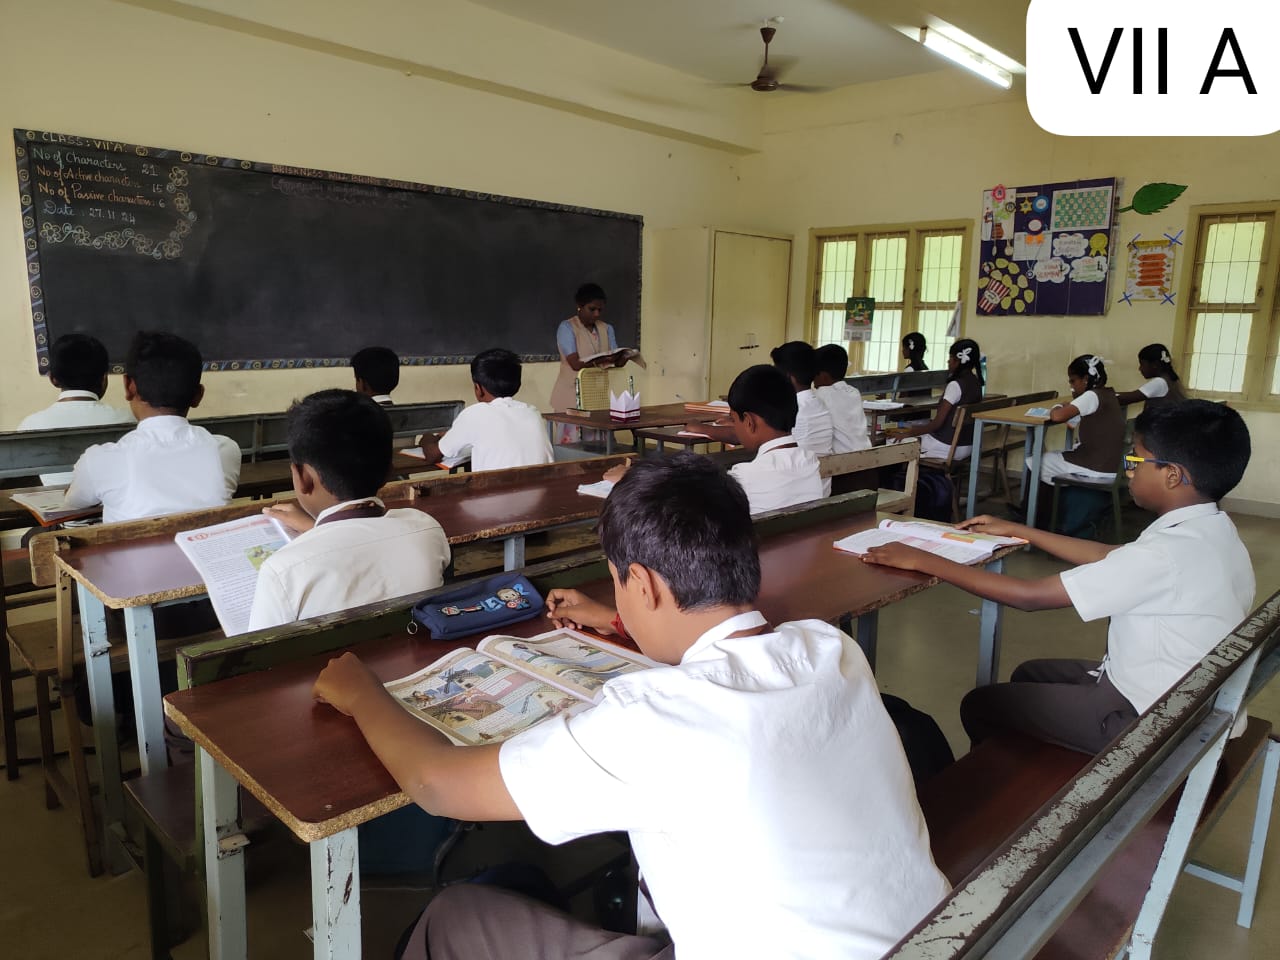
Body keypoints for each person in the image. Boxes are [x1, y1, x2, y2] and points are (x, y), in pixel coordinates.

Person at [314, 454, 950, 959]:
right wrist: (622, 624)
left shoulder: (651, 720)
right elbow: (728, 649)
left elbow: (436, 784)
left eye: (619, 579)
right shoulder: (830, 648)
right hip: (933, 939)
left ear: (640, 583)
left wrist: (363, 693)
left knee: (456, 917)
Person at [863, 400, 1254, 755]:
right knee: (1029, 674)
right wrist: (1021, 531)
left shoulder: (1164, 555)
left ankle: (1009, 791)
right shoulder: (1210, 531)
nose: (1129, 469)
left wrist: (924, 559)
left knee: (981, 705)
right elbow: (1112, 556)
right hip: (1186, 697)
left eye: (1136, 459)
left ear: (1172, 475)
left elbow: (1029, 596)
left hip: (1150, 721)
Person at [247, 389, 450, 630]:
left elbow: (259, 649)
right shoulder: (426, 528)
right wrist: (315, 530)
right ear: (389, 471)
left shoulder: (282, 570)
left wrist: (315, 534)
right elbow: (362, 546)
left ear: (302, 478)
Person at [61, 331, 241, 524]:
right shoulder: (224, 450)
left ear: (129, 386)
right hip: (205, 544)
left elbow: (74, 502)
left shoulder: (99, 460)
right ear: (198, 395)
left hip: (129, 545)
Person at [17, 333, 134, 485]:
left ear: (53, 379)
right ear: (104, 378)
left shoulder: (30, 426)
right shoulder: (129, 420)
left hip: (53, 499)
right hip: (110, 499)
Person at [415, 348, 554, 472]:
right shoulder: (532, 412)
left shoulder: (476, 414)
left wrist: (427, 438)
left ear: (478, 388)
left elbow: (433, 455)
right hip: (543, 490)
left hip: (496, 492)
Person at [550, 283, 638, 444]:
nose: (596, 314)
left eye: (600, 310)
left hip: (596, 396)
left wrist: (625, 357)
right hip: (570, 396)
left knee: (601, 445)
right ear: (579, 306)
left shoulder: (607, 329)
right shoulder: (567, 328)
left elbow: (614, 361)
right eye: (592, 309)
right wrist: (602, 360)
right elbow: (575, 364)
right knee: (574, 446)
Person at [1033, 354, 1124, 485]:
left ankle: (1035, 499)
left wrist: (1058, 406)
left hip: (1098, 466)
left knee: (1037, 462)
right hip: (1113, 464)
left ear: (1085, 379)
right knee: (1059, 454)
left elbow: (1057, 416)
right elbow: (1072, 424)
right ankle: (1059, 495)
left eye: (1073, 381)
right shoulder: (1109, 393)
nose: (1071, 386)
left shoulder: (1091, 395)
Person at [887, 338, 984, 460]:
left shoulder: (955, 385)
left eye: (950, 357)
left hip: (947, 446)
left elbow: (936, 424)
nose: (948, 361)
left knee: (892, 441)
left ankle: (907, 472)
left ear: (958, 361)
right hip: (968, 446)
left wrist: (907, 433)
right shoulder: (976, 383)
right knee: (912, 434)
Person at [770, 340, 834, 455]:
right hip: (822, 465)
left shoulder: (791, 410)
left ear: (788, 378)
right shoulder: (821, 404)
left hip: (796, 465)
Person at [813, 343, 871, 453]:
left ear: (824, 376)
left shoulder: (822, 394)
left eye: (814, 376)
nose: (813, 381)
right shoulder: (854, 392)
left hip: (843, 458)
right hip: (865, 452)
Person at [1116, 343, 1186, 409]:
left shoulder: (1160, 382)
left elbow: (1126, 398)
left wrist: (1110, 395)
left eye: (1142, 364)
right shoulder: (1171, 379)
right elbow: (1132, 395)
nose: (1140, 369)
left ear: (1155, 365)